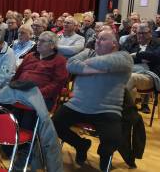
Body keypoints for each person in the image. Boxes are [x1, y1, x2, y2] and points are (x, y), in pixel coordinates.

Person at [52, 30, 133, 171]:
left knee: (112, 139)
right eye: (97, 38)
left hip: (107, 109)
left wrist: (84, 66)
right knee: (53, 125)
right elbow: (70, 64)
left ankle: (104, 157)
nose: (97, 41)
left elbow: (102, 62)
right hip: (77, 105)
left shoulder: (124, 57)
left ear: (114, 43)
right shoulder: (89, 52)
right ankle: (81, 144)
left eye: (103, 39)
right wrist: (97, 69)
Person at [13, 31, 68, 110]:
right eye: (38, 40)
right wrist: (13, 87)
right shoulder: (30, 56)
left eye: (43, 41)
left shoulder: (60, 61)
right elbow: (17, 74)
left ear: (52, 45)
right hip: (20, 92)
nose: (38, 43)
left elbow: (57, 84)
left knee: (26, 118)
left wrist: (37, 93)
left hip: (40, 97)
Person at [122, 23, 160, 113]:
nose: (141, 35)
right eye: (139, 33)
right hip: (129, 71)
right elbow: (124, 55)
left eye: (144, 33)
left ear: (150, 33)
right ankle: (128, 112)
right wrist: (143, 58)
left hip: (150, 75)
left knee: (131, 77)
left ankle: (122, 110)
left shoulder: (157, 43)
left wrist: (136, 55)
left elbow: (156, 57)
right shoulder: (131, 41)